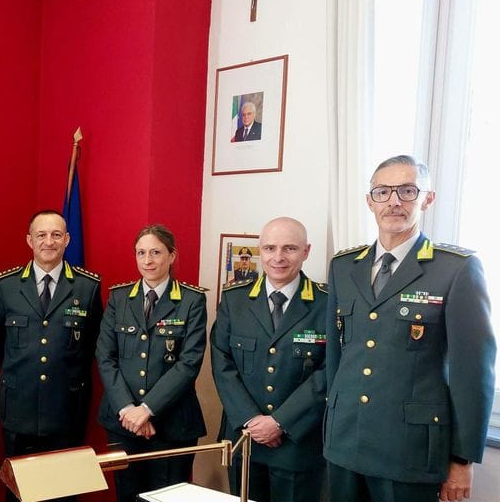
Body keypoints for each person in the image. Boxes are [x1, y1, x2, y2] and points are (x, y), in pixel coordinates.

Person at [325, 155, 496, 502]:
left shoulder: (456, 269)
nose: (394, 201)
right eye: (383, 192)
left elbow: (473, 372)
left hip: (410, 450)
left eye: (407, 190)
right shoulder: (344, 266)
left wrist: (462, 458)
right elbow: (335, 357)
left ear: (427, 199)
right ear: (370, 201)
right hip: (345, 442)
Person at [211, 217, 327, 502]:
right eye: (270, 248)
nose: (278, 257)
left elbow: (329, 371)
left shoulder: (327, 303)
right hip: (245, 439)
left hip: (298, 444)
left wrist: (280, 422)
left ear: (306, 251)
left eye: (289, 248)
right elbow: (222, 364)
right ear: (260, 250)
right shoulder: (234, 300)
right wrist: (251, 420)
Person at [0, 210, 103, 499]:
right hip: (19, 408)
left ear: (67, 239)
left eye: (56, 235)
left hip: (66, 409)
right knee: (20, 494)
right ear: (29, 240)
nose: (49, 242)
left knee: (64, 492)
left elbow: (92, 344)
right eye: (41, 235)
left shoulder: (87, 287)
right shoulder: (6, 286)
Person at [96, 224, 208, 501]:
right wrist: (129, 411)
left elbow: (189, 363)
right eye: (141, 253)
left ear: (172, 256)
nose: (147, 260)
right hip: (123, 422)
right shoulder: (119, 297)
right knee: (127, 495)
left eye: (156, 252)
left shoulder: (192, 300)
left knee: (167, 496)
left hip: (172, 424)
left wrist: (147, 409)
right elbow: (106, 357)